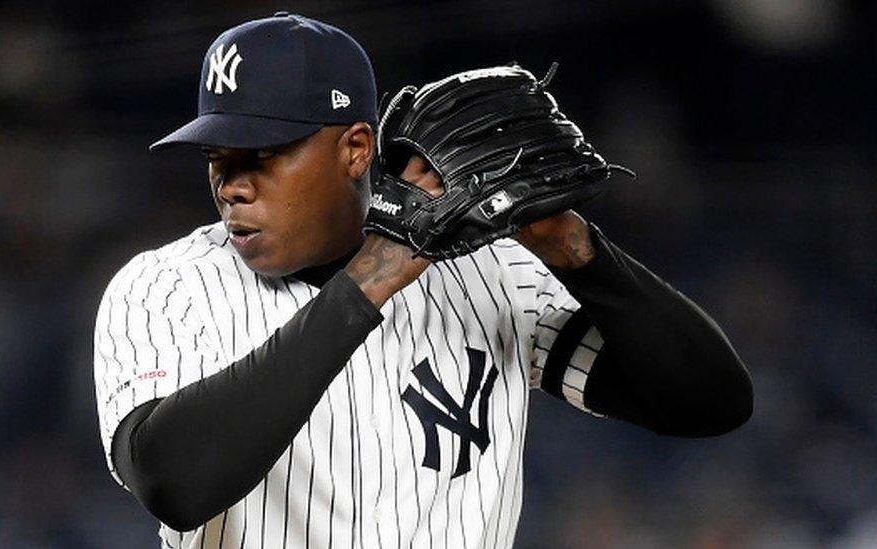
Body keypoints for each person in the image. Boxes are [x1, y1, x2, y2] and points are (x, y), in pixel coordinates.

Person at [93, 12, 753, 549]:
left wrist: (575, 247)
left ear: (355, 148)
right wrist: (371, 277)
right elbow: (175, 483)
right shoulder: (166, 285)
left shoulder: (490, 274)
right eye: (218, 158)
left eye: (261, 156)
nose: (232, 185)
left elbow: (710, 401)